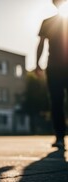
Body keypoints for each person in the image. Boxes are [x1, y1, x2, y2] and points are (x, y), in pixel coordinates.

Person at [35, 0, 68, 149]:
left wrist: (37, 64)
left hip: (55, 66)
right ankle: (60, 137)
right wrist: (37, 64)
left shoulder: (48, 22)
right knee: (56, 101)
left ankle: (60, 137)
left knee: (56, 102)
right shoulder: (48, 22)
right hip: (54, 67)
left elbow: (41, 44)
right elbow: (41, 43)